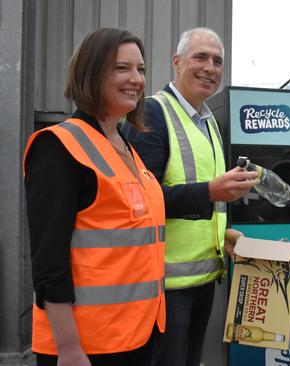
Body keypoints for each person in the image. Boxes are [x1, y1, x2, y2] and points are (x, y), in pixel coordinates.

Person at [24, 28, 165, 365]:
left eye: (141, 69)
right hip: (86, 347)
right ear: (91, 73)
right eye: (122, 68)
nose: (136, 79)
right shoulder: (58, 146)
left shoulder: (125, 145)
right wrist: (68, 348)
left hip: (136, 335)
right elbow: (48, 262)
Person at [121, 27, 258, 366]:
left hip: (203, 280)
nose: (210, 68)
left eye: (218, 61)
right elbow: (138, 201)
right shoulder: (153, 112)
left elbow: (198, 202)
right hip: (164, 288)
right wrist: (210, 192)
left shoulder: (207, 121)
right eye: (200, 57)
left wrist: (222, 235)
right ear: (176, 62)